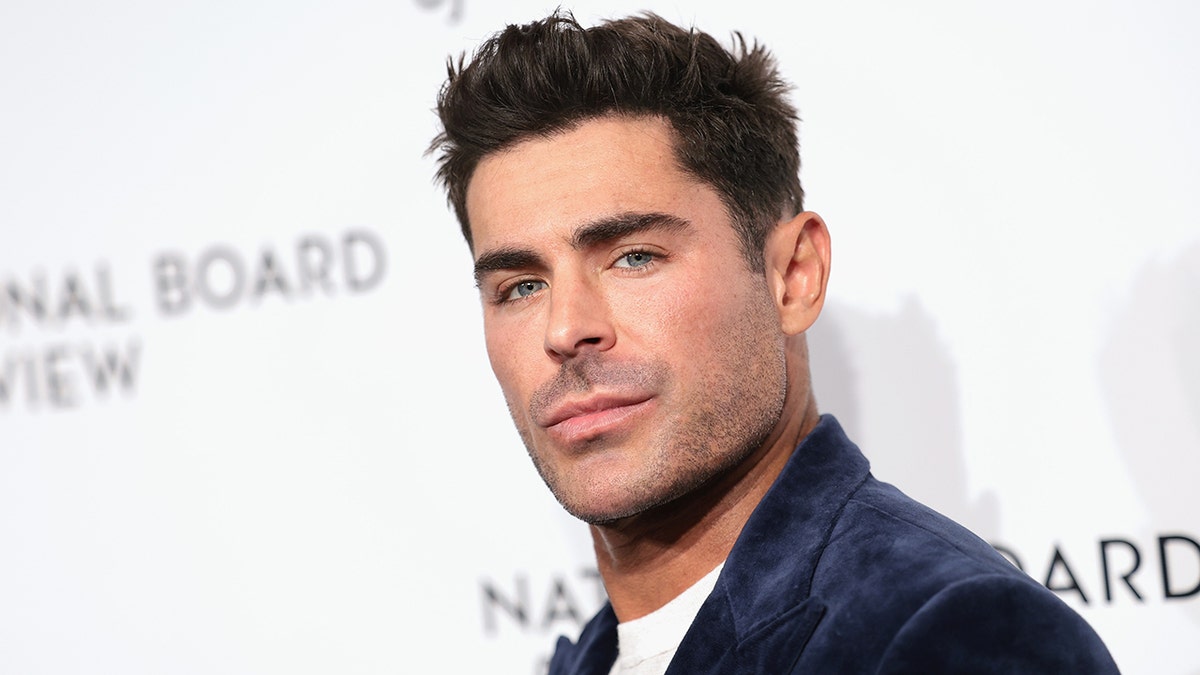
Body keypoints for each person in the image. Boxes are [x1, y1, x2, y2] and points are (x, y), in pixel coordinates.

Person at [429, 11, 1119, 675]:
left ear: (793, 276)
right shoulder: (593, 655)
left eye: (634, 256)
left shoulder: (946, 633)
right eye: (520, 286)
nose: (565, 328)